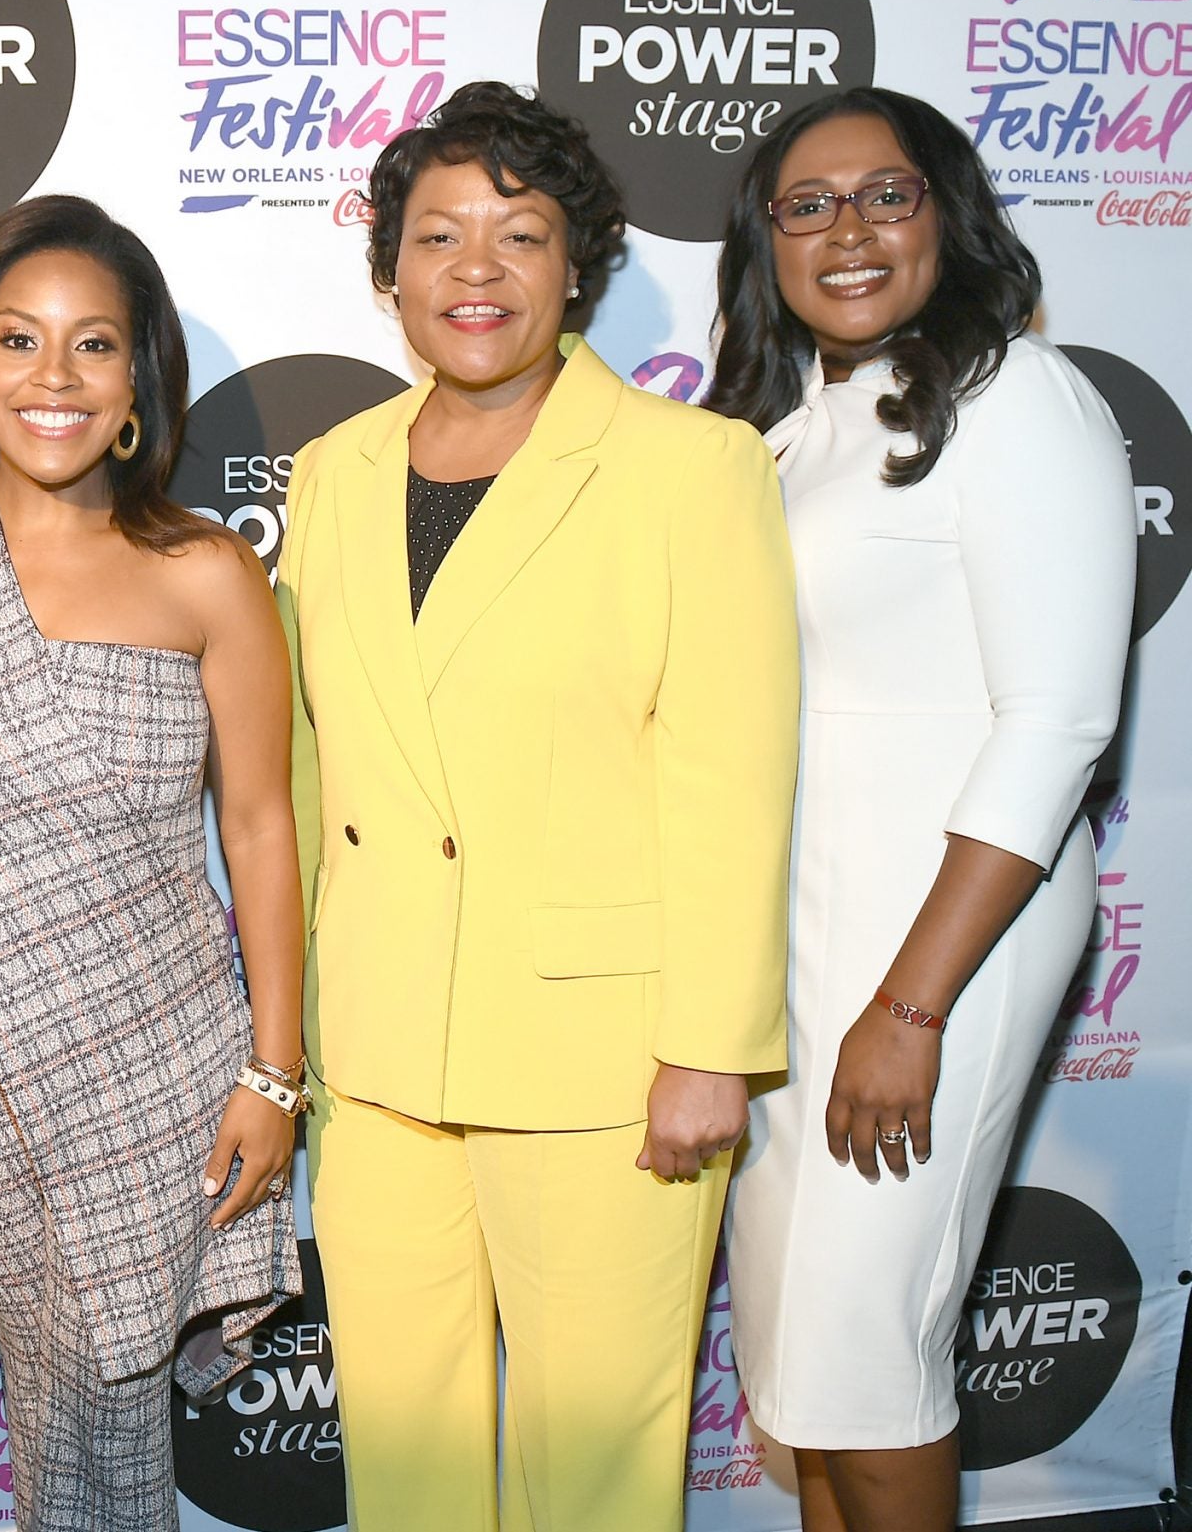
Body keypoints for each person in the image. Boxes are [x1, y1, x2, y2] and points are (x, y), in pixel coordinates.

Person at [278, 81, 800, 1531]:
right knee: (409, 1467)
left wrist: (711, 1049)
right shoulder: (332, 473)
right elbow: (310, 772)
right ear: (390, 270)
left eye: (521, 234)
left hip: (605, 1065)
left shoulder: (692, 468)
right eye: (439, 235)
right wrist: (297, 1025)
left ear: (579, 267)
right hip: (375, 1057)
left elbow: (732, 775)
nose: (478, 269)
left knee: (595, 1477)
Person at [0, 194, 305, 1532]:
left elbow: (259, 826)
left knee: (102, 1393)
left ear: (137, 379)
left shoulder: (207, 571)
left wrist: (274, 1072)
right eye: (18, 340)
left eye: (93, 344)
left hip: (165, 1066)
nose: (55, 377)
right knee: (67, 1384)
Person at [714, 88, 1135, 1532]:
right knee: (806, 1366)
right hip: (801, 938)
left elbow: (1060, 721)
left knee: (868, 1355)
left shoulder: (1019, 399)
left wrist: (911, 1006)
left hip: (944, 934)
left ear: (946, 216)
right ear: (766, 240)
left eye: (885, 195)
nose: (847, 231)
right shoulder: (786, 432)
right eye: (807, 204)